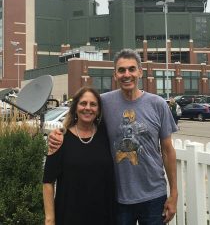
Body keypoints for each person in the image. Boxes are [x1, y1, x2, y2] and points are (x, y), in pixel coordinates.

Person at [48, 49, 178, 225]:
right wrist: (59, 133)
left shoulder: (158, 104)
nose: (127, 74)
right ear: (115, 75)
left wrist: (174, 194)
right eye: (121, 70)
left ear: (140, 71)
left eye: (132, 69)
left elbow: (168, 150)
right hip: (118, 198)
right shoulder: (104, 103)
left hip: (153, 196)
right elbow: (81, 117)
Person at [43, 86, 115, 225]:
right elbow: (48, 181)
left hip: (103, 216)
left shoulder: (106, 135)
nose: (88, 108)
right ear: (75, 107)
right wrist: (50, 220)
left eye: (93, 104)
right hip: (69, 216)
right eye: (83, 103)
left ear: (99, 110)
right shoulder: (61, 139)